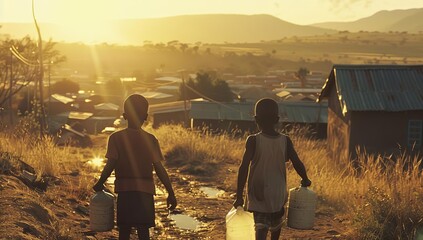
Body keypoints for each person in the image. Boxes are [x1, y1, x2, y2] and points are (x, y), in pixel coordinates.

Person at [93, 94, 177, 240]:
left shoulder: (116, 138)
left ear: (124, 116)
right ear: (145, 116)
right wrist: (170, 192)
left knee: (124, 231)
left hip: (125, 192)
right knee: (143, 230)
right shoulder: (150, 140)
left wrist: (100, 182)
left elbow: (111, 164)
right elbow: (159, 168)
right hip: (145, 192)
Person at [233, 98, 311, 240]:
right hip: (278, 194)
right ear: (277, 119)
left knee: (261, 229)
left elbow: (243, 167)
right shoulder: (285, 140)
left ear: (256, 119)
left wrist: (238, 196)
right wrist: (305, 178)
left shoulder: (253, 140)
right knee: (276, 228)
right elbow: (297, 162)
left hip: (258, 194)